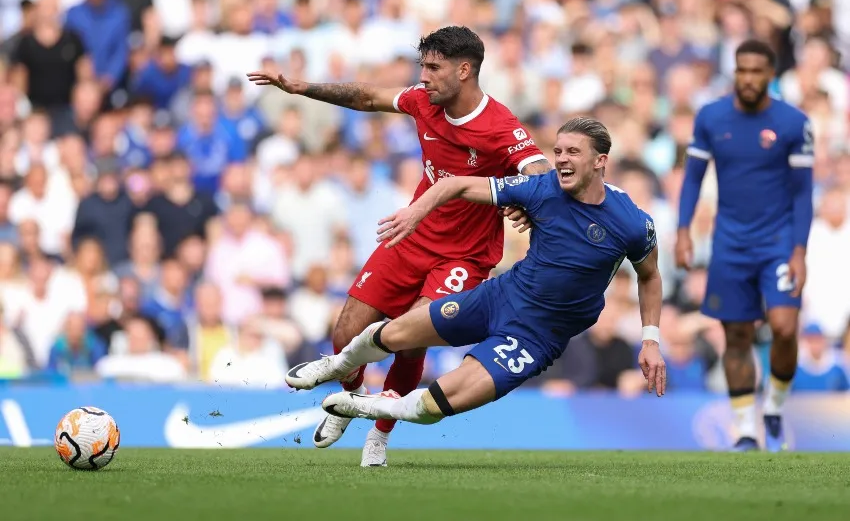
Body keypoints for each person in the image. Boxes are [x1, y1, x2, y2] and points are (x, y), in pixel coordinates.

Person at [248, 25, 551, 466]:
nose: (423, 77)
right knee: (344, 333)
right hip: (412, 234)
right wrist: (301, 88)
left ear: (464, 70)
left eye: (433, 67)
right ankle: (351, 400)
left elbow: (540, 170)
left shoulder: (499, 125)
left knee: (410, 337)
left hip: (464, 254)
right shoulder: (423, 101)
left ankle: (380, 435)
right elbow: (366, 96)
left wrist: (525, 199)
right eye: (422, 66)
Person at [285, 118, 666, 437]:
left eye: (573, 152)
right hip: (499, 297)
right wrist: (415, 212)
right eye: (558, 151)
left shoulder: (632, 223)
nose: (562, 160)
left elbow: (649, 276)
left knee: (433, 405)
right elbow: (457, 184)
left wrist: (650, 340)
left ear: (600, 161)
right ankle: (336, 366)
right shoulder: (543, 188)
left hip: (537, 335)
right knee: (397, 332)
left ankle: (363, 409)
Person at [675, 40, 814, 452]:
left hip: (778, 241)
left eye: (757, 71)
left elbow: (804, 193)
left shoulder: (793, 123)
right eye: (742, 70)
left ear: (771, 75)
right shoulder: (712, 117)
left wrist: (800, 251)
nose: (748, 78)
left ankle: (774, 404)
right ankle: (745, 431)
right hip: (730, 242)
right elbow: (693, 179)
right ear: (734, 72)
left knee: (785, 328)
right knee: (736, 335)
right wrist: (683, 231)